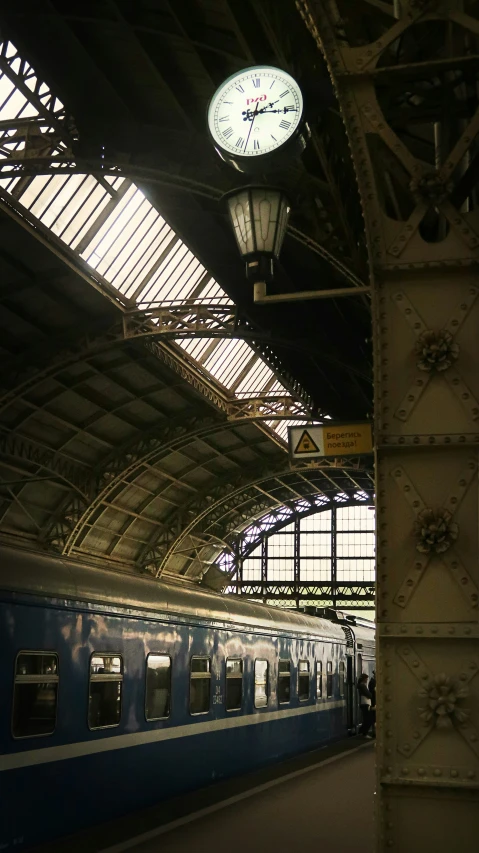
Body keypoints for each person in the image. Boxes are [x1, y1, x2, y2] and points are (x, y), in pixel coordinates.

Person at [357, 673, 373, 737]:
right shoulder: (362, 686)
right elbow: (369, 695)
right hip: (365, 703)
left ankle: (362, 731)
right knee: (368, 719)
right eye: (366, 679)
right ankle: (364, 732)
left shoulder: (361, 686)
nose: (367, 680)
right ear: (363, 679)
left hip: (364, 703)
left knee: (367, 718)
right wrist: (370, 695)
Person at [368, 670, 377, 737]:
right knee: (374, 718)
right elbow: (374, 691)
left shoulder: (373, 682)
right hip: (374, 702)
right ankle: (374, 732)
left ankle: (375, 732)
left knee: (375, 718)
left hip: (375, 701)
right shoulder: (372, 682)